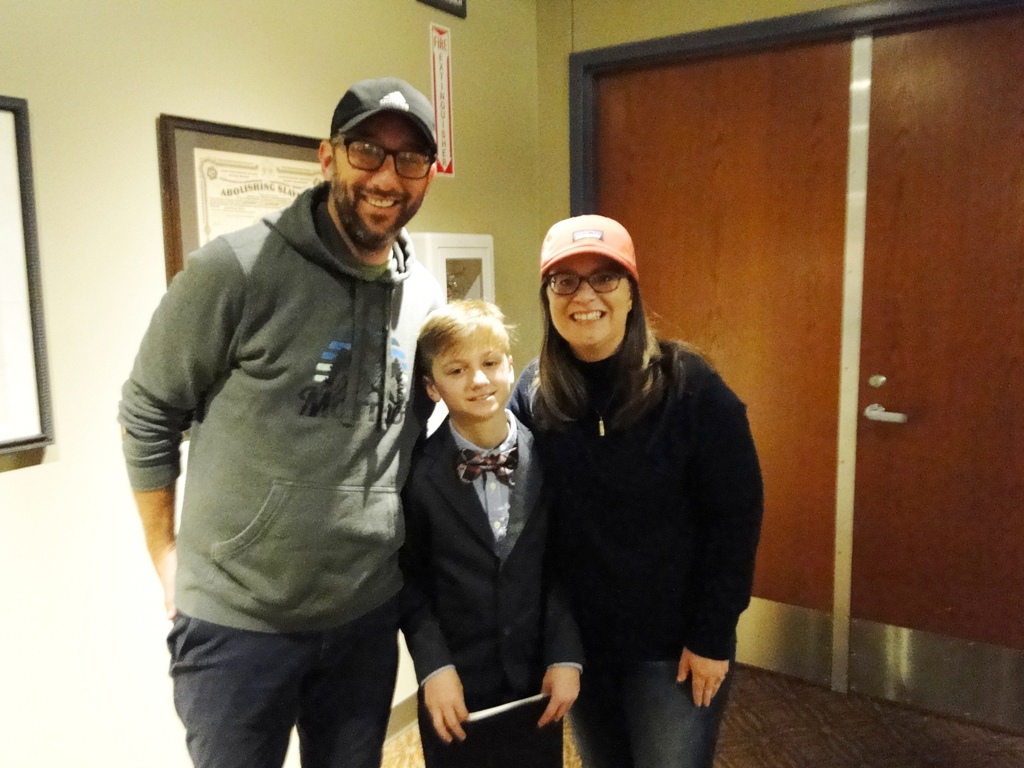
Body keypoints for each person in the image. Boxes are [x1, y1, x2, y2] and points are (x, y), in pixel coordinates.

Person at [118, 77, 444, 768]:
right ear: (327, 157)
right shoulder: (233, 270)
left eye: (410, 158)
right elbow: (148, 408)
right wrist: (165, 554)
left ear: (428, 175)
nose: (388, 177)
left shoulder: (423, 295)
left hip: (364, 618)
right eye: (367, 151)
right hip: (239, 627)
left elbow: (413, 431)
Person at [509, 214, 764, 768]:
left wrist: (712, 635)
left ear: (631, 293)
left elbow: (735, 518)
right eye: (565, 281)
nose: (585, 296)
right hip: (580, 645)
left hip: (673, 648)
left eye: (605, 277)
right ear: (548, 297)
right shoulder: (533, 393)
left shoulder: (689, 386)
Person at [400, 299, 584, 768]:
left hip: (534, 680)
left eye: (489, 363)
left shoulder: (551, 458)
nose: (478, 380)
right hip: (455, 685)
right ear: (432, 387)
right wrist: (434, 667)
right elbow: (409, 580)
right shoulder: (417, 474)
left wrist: (565, 655)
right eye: (456, 370)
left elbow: (565, 566)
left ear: (509, 365)